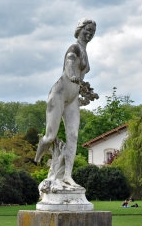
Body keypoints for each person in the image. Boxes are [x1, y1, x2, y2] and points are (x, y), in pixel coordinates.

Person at [35, 19, 97, 190]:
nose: (90, 33)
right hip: (59, 95)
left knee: (73, 136)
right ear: (79, 30)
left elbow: (81, 76)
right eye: (87, 29)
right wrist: (72, 76)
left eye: (92, 31)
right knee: (50, 136)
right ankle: (37, 159)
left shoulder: (85, 52)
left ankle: (67, 175)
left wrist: (85, 93)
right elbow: (69, 63)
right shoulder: (74, 48)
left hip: (73, 99)